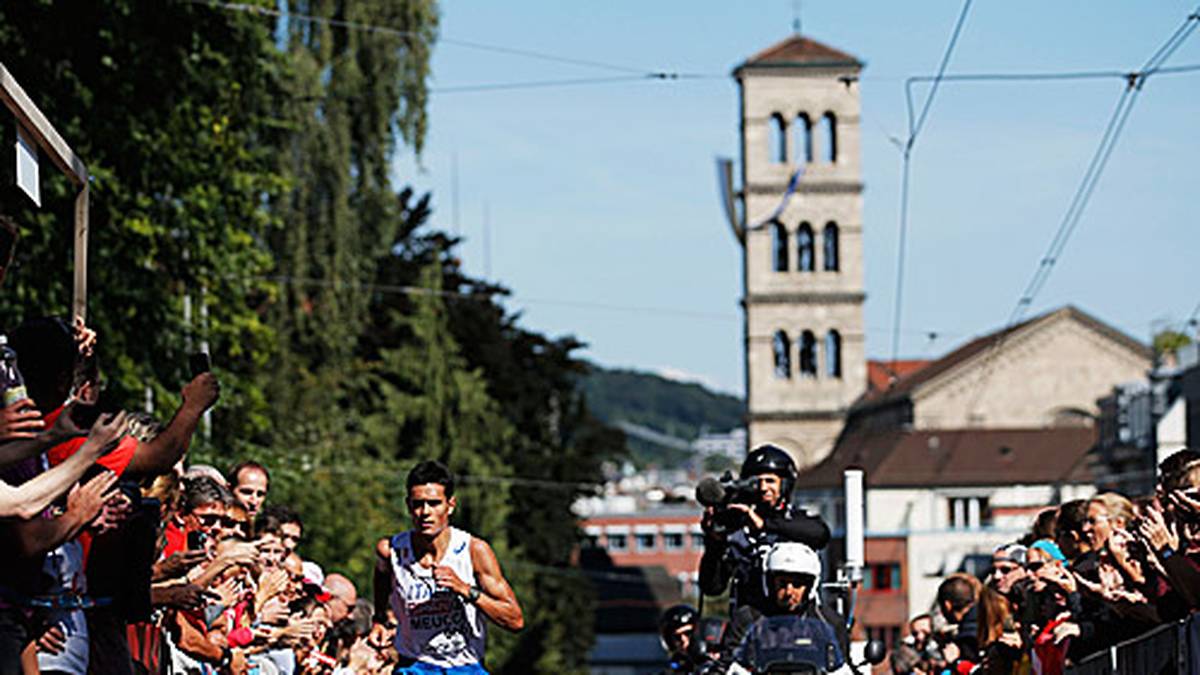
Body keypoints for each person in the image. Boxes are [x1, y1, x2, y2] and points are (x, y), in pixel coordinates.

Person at [371, 460, 523, 673]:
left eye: (434, 504)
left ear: (450, 505)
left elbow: (514, 620)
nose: (425, 512)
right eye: (418, 504)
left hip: (464, 667)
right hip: (414, 665)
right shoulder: (392, 551)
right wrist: (379, 619)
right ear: (408, 506)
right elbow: (381, 578)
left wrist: (465, 590)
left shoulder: (473, 551)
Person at [699, 444, 830, 615]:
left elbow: (820, 534)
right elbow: (712, 587)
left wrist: (764, 525)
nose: (763, 488)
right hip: (751, 622)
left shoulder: (796, 521)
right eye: (755, 482)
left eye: (770, 481)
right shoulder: (738, 530)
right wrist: (714, 543)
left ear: (784, 484)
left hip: (798, 620)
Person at [727, 542, 850, 674]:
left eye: (797, 585)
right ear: (770, 582)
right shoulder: (748, 619)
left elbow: (842, 667)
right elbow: (728, 662)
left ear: (810, 587)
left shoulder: (828, 623)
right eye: (782, 583)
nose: (789, 592)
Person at [657, 604, 698, 673]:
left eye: (688, 633)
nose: (684, 640)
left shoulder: (711, 664)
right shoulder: (673, 666)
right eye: (677, 637)